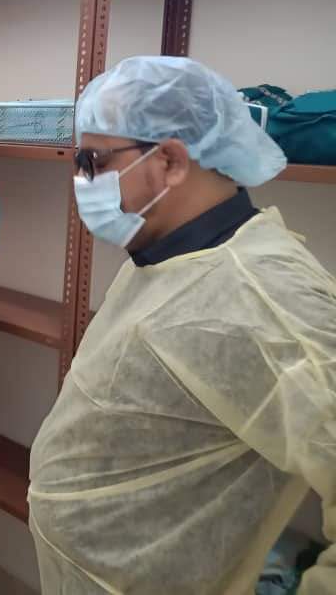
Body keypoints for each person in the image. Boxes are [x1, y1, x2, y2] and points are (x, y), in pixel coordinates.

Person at [29, 56, 336, 594]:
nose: (82, 181)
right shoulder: (164, 254)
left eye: (93, 161)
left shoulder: (266, 296)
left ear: (170, 160)